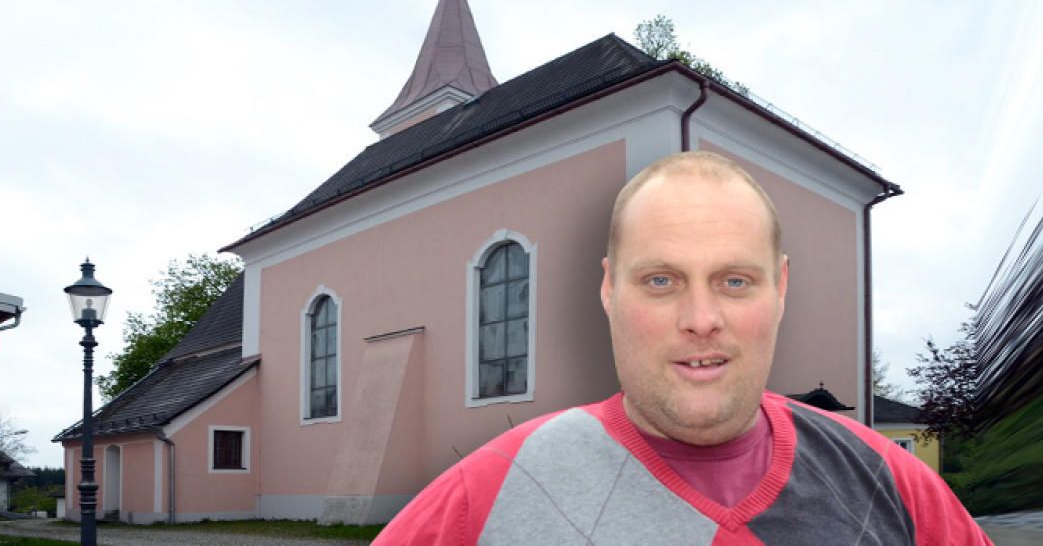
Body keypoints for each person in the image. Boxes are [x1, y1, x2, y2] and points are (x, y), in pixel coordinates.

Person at [373, 151, 993, 545]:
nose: (702, 319)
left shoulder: (894, 486)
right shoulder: (483, 500)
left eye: (734, 281)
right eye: (662, 281)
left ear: (779, 288)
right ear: (610, 290)